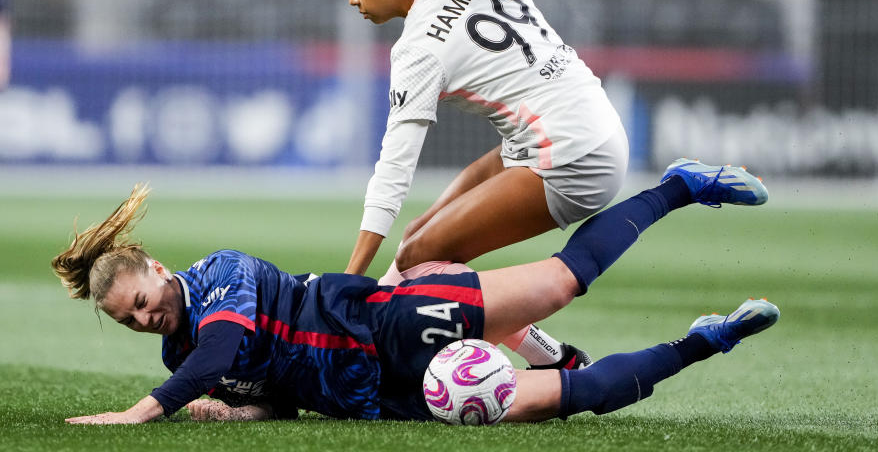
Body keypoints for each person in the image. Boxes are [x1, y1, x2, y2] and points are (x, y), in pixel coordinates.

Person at [340, 0, 744, 369]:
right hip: (588, 126)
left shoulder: (418, 49)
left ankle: (547, 358)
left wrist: (350, 276)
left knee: (421, 255)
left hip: (571, 156)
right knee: (420, 237)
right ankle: (387, 327)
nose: (352, 0)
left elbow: (394, 169)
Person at [54, 158, 776, 425]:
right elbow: (268, 397)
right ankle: (703, 342)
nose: (146, 319)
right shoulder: (180, 354)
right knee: (568, 397)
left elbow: (224, 350)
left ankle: (678, 188)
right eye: (130, 322)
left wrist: (142, 413)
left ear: (153, 267)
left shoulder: (219, 275)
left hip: (388, 325)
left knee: (559, 283)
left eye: (142, 302)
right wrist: (228, 415)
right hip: (379, 400)